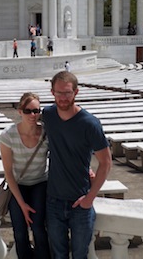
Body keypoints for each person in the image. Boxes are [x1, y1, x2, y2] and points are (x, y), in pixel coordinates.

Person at [42, 71, 112, 259]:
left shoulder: (90, 124)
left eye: (67, 93)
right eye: (58, 93)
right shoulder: (47, 115)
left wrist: (90, 198)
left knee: (80, 255)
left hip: (80, 201)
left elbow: (106, 163)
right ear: (52, 93)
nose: (63, 98)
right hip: (53, 200)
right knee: (58, 254)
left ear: (76, 92)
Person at [0, 92, 51, 259]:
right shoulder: (8, 135)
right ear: (20, 111)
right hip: (18, 185)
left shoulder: (46, 133)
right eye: (28, 111)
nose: (33, 115)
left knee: (38, 228)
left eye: (36, 111)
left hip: (40, 183)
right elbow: (8, 172)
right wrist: (22, 204)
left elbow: (65, 152)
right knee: (20, 232)